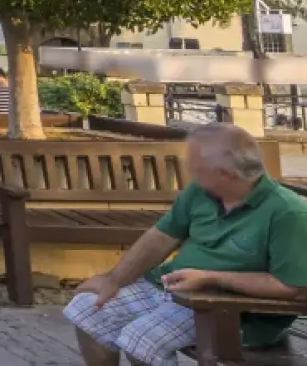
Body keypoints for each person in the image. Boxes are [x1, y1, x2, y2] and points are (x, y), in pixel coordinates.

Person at [63, 123, 307, 366]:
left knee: (140, 340)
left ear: (226, 173)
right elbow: (160, 238)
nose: (188, 168)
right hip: (171, 289)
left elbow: (292, 287)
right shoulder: (202, 191)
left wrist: (210, 278)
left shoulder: (288, 213)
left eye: (195, 164)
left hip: (229, 311)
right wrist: (114, 280)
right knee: (86, 310)